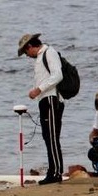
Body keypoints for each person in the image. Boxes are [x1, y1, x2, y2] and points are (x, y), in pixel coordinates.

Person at [17, 33, 64, 184]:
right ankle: (53, 171)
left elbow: (58, 76)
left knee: (51, 137)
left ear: (30, 46)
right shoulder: (40, 57)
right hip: (45, 99)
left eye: (25, 52)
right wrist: (37, 91)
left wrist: (38, 90)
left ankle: (56, 172)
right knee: (48, 136)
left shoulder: (49, 52)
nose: (26, 55)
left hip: (51, 99)